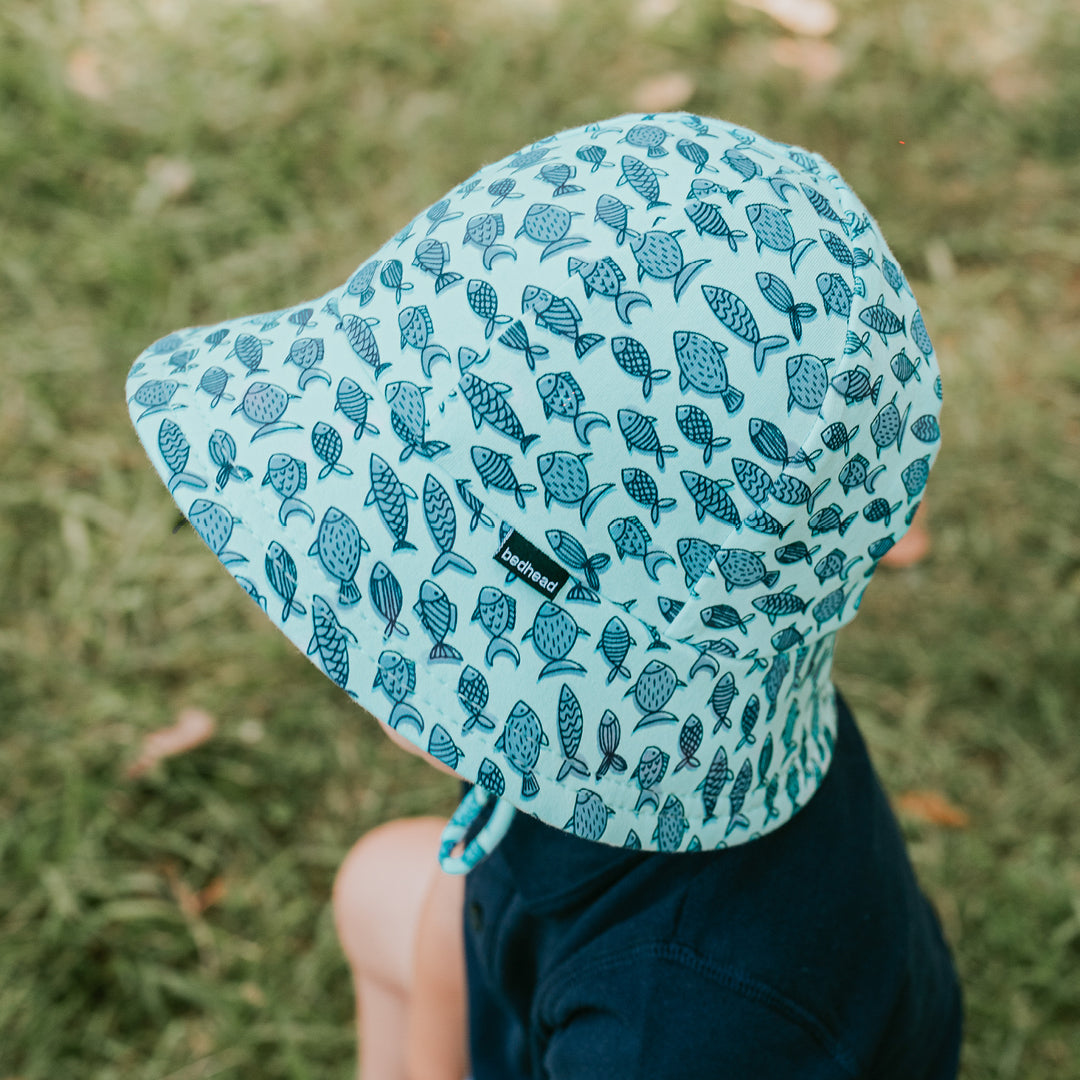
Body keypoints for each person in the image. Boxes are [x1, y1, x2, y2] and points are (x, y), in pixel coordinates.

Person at [127, 112, 962, 1079]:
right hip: (550, 983)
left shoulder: (673, 1032)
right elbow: (467, 897)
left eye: (424, 585)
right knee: (374, 888)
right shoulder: (613, 749)